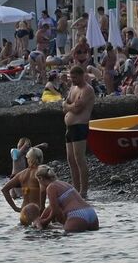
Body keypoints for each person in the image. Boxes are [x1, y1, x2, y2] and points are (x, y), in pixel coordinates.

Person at [61, 63, 94, 197]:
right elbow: (67, 105)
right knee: (70, 159)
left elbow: (77, 109)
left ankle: (84, 191)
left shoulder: (87, 89)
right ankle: (75, 189)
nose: (72, 80)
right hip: (70, 127)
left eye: (74, 77)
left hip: (80, 126)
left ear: (82, 76)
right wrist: (69, 105)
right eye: (71, 77)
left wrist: (67, 106)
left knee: (79, 158)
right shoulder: (73, 88)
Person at [34, 164, 99, 233]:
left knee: (67, 238)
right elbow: (50, 207)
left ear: (40, 178)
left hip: (76, 214)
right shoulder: (64, 184)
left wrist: (45, 222)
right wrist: (42, 219)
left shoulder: (51, 187)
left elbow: (55, 211)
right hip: (91, 213)